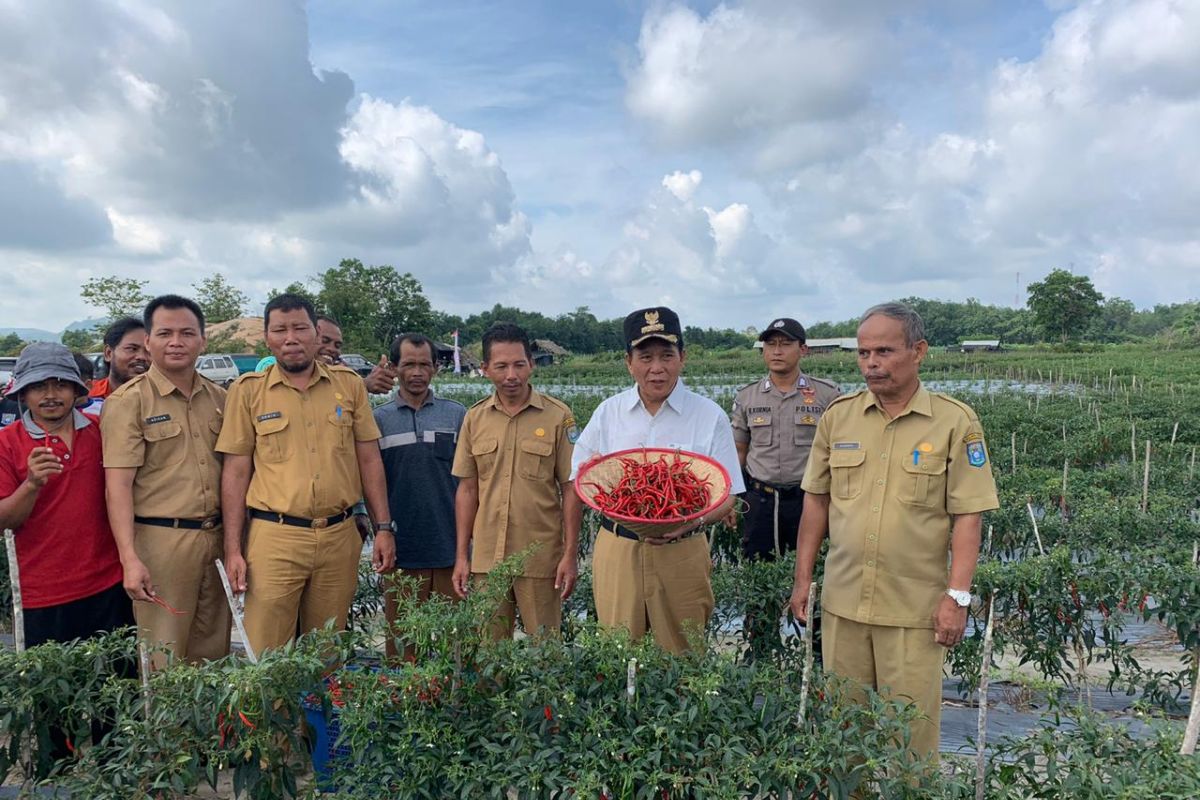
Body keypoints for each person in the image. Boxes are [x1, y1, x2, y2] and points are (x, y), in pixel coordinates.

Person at [789, 302, 999, 761]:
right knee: (846, 741)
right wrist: (803, 579)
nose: (871, 363)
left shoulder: (954, 422)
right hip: (844, 607)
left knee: (911, 745)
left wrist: (957, 598)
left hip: (913, 612)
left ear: (918, 351)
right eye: (863, 353)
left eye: (884, 350)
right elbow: (816, 502)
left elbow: (969, 515)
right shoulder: (838, 417)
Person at [215, 293, 395, 654]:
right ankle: (275, 714)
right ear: (267, 338)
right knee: (268, 653)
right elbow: (235, 474)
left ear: (316, 333)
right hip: (275, 538)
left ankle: (318, 713)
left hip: (338, 536)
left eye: (300, 328)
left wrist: (384, 528)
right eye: (280, 330)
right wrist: (233, 548)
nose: (291, 338)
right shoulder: (248, 392)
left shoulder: (348, 386)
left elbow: (369, 460)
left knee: (325, 651)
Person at [570, 307, 743, 653]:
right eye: (645, 357)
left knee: (684, 653)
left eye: (667, 355)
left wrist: (692, 520)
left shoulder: (709, 416)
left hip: (684, 549)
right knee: (617, 653)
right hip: (618, 546)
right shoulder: (609, 412)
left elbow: (729, 495)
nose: (657, 368)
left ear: (683, 357)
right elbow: (580, 479)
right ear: (628, 362)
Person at [0, 343, 133, 764]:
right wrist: (32, 483)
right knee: (53, 708)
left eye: (61, 383)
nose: (51, 394)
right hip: (44, 593)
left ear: (77, 390)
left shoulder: (100, 433)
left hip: (108, 586)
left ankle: (115, 779)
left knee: (114, 698)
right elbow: (4, 519)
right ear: (23, 394)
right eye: (40, 386)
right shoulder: (8, 443)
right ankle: (56, 778)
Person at [101, 295, 231, 665]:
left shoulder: (221, 398)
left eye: (187, 333)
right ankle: (166, 728)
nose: (176, 341)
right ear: (148, 341)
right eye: (165, 333)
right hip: (161, 545)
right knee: (164, 660)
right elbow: (118, 487)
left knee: (212, 656)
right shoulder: (129, 401)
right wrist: (129, 558)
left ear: (203, 341)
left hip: (215, 539)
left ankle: (204, 726)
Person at [451, 322, 579, 639]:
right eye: (501, 366)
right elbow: (467, 490)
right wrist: (461, 557)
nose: (512, 375)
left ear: (531, 365)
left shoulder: (558, 416)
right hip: (486, 560)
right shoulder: (475, 418)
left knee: (545, 653)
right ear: (484, 369)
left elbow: (571, 489)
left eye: (519, 365)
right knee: (488, 654)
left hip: (540, 558)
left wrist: (570, 553)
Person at [374, 333, 466, 658]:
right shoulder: (379, 420)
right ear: (394, 367)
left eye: (424, 364)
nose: (417, 372)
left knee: (453, 642)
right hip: (401, 550)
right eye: (409, 364)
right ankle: (406, 705)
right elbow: (368, 480)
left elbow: (472, 480)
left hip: (449, 548)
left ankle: (448, 707)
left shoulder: (456, 415)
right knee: (403, 644)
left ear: (436, 368)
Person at [731, 318, 840, 560]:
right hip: (760, 501)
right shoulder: (747, 396)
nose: (777, 351)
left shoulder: (826, 394)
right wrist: (732, 497)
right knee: (758, 571)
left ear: (802, 349)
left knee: (813, 567)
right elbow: (738, 450)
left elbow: (839, 453)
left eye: (785, 344)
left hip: (809, 500)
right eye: (770, 344)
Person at [89, 317, 150, 402]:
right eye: (132, 349)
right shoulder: (86, 397)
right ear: (108, 353)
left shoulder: (164, 400)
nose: (142, 357)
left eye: (148, 351)